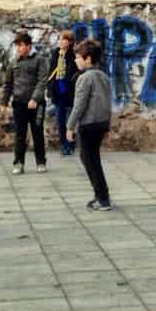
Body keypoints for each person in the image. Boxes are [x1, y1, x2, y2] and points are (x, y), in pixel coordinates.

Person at [66, 38, 114, 211]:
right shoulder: (103, 76)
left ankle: (102, 198)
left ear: (88, 59)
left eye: (78, 57)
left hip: (88, 124)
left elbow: (79, 105)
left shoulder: (85, 78)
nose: (75, 60)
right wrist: (107, 124)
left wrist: (70, 127)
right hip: (101, 123)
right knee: (92, 159)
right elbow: (108, 102)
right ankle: (101, 195)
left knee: (89, 160)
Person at [0, 30, 48, 175]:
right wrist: (4, 102)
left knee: (37, 133)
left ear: (28, 46)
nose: (18, 48)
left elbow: (42, 81)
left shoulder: (39, 60)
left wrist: (35, 98)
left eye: (21, 45)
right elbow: (8, 84)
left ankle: (41, 162)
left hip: (36, 104)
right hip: (19, 103)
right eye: (17, 46)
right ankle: (18, 163)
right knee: (20, 134)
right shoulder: (13, 62)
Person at [45, 30, 80, 156]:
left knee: (71, 119)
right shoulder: (55, 53)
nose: (60, 41)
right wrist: (50, 88)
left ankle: (71, 144)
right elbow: (51, 71)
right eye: (59, 39)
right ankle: (63, 144)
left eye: (63, 39)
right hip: (58, 89)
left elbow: (76, 73)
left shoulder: (73, 55)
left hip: (70, 91)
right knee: (60, 120)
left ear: (70, 42)